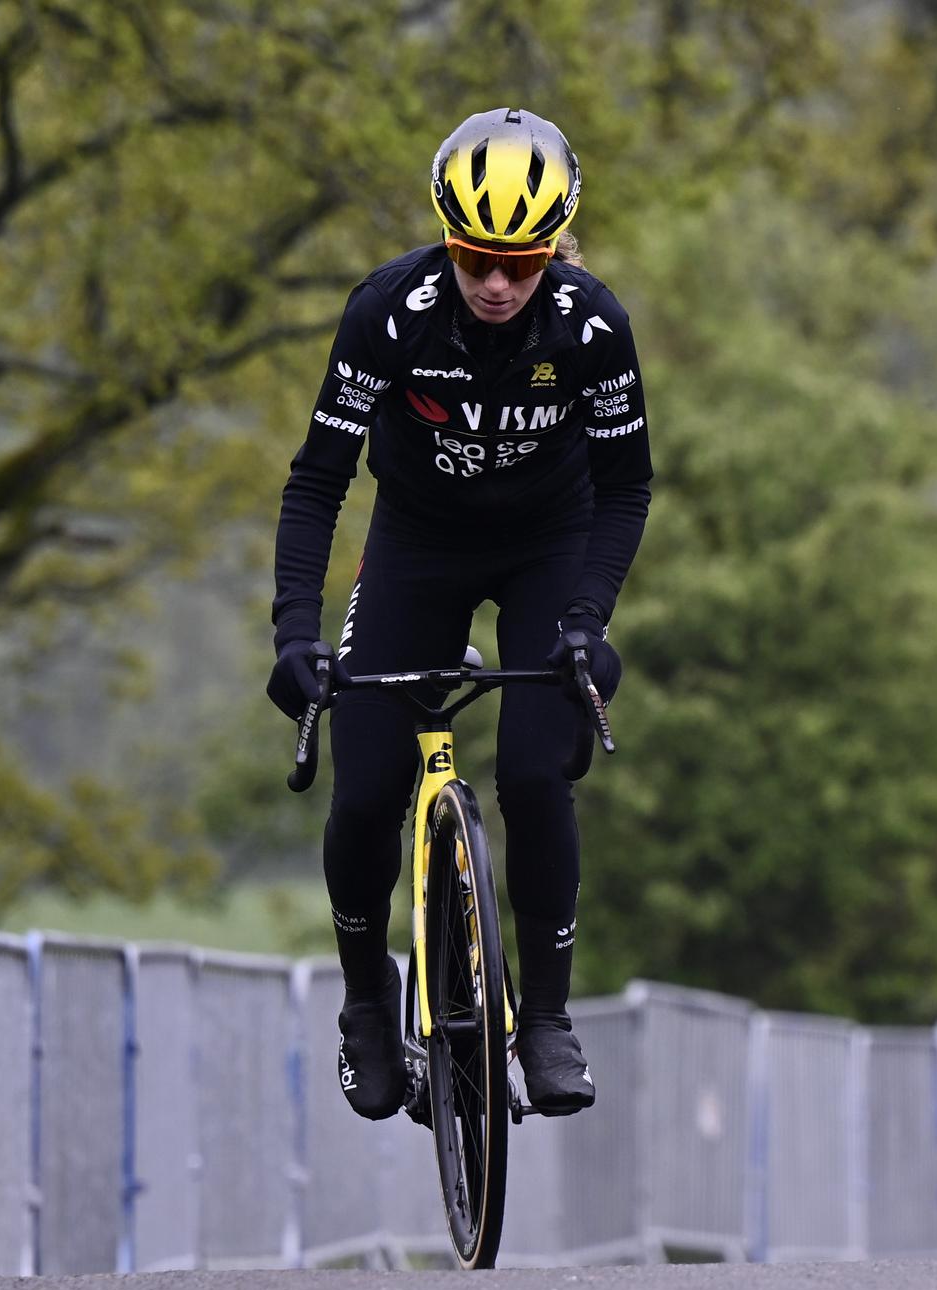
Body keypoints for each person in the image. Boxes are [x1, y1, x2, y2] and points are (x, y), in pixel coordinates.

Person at [267, 108, 651, 1120]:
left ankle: (553, 1020)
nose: (495, 283)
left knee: (533, 770)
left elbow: (626, 491)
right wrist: (294, 634)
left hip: (548, 546)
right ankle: (364, 1000)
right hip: (418, 543)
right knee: (365, 786)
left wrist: (584, 618)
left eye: (520, 264)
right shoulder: (389, 312)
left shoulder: (592, 324)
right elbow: (316, 484)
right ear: (449, 240)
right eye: (477, 257)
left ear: (554, 251)